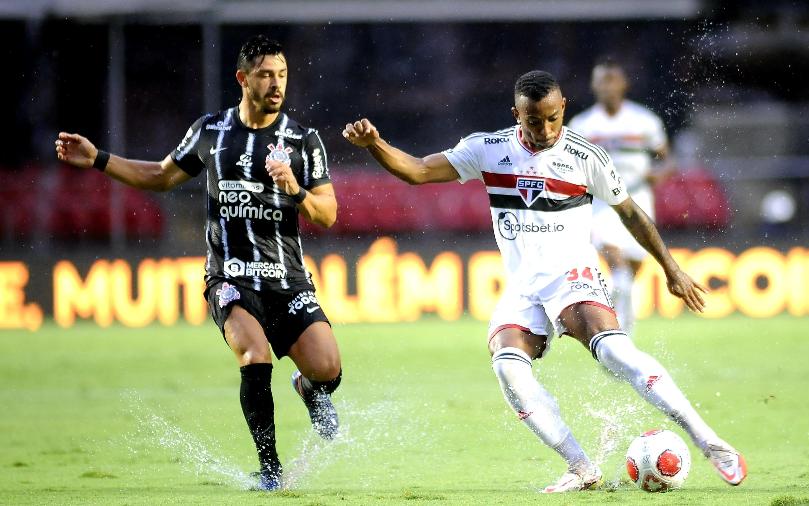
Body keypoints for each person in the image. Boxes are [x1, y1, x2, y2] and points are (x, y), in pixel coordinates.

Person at [342, 70, 746, 493]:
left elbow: (630, 212)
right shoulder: (487, 149)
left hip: (572, 275)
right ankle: (581, 467)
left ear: (563, 107)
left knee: (614, 352)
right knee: (507, 368)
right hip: (522, 286)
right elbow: (418, 171)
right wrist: (375, 145)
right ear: (516, 114)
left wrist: (671, 268)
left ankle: (711, 442)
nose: (545, 130)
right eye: (534, 121)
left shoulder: (586, 156)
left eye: (553, 118)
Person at [55, 35, 342, 491]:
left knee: (328, 369)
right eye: (266, 74)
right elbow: (161, 176)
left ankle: (309, 390)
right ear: (242, 78)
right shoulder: (212, 131)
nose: (276, 84)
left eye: (282, 74)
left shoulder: (303, 141)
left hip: (287, 279)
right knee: (254, 355)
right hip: (228, 277)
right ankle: (271, 470)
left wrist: (295, 189)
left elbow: (327, 214)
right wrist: (98, 159)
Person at [568, 61, 675, 337]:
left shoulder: (644, 121)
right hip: (601, 203)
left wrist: (659, 175)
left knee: (629, 274)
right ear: (594, 86)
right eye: (602, 81)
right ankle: (616, 334)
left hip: (637, 198)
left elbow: (667, 160)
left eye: (612, 80)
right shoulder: (582, 126)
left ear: (624, 84)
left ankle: (620, 323)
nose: (607, 86)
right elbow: (567, 165)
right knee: (618, 266)